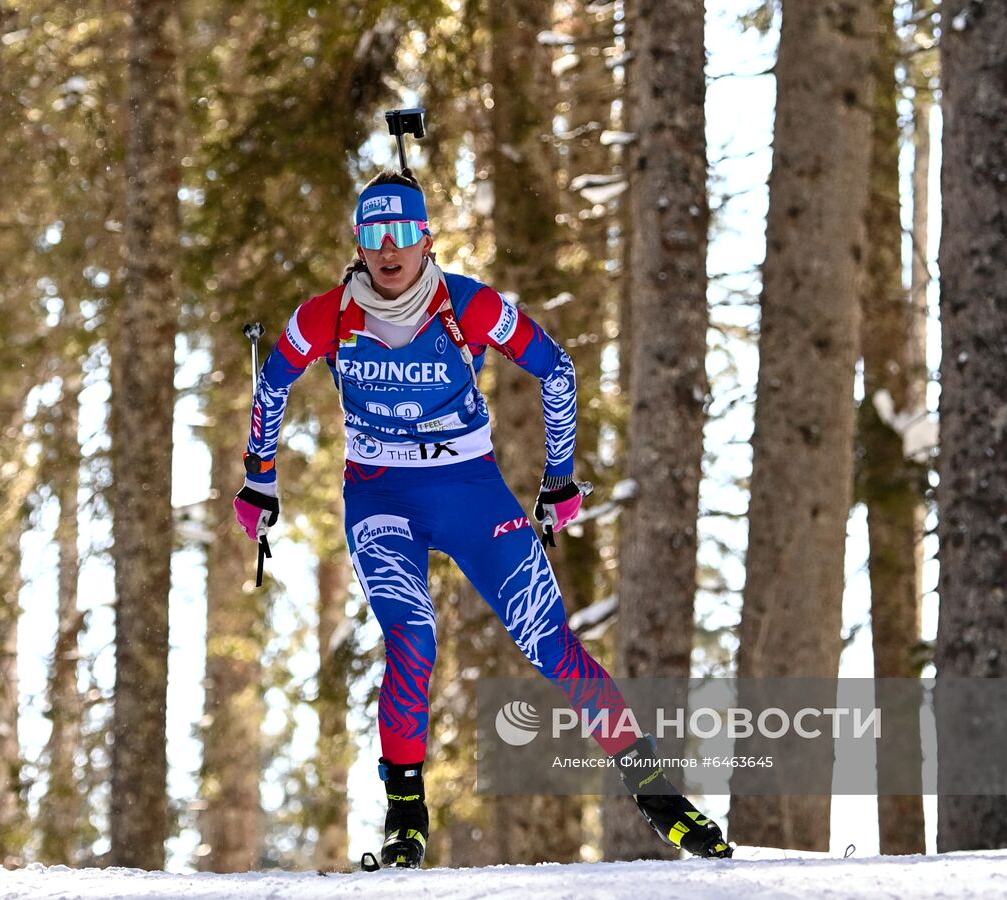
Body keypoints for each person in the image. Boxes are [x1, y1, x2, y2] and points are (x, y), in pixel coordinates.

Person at [234, 169, 731, 867]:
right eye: (373, 234)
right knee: (413, 639)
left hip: (471, 492)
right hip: (382, 500)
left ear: (426, 237)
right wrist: (258, 480)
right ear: (358, 242)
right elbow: (274, 380)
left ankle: (657, 795)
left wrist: (559, 478)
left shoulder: (468, 304)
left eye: (402, 231)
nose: (388, 248)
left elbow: (556, 369)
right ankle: (405, 816)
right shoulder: (325, 316)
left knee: (552, 642)